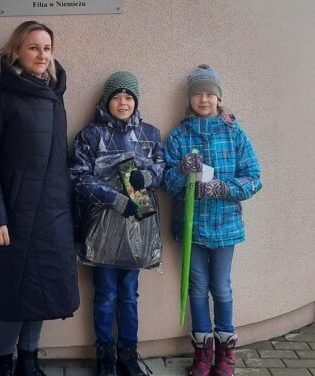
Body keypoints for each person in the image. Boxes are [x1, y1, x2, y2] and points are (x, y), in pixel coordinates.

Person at [0, 21, 80, 376]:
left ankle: (29, 361)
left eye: (47, 48)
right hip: (13, 215)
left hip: (52, 213)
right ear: (16, 50)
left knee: (41, 290)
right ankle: (4, 363)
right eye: (33, 47)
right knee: (12, 293)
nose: (42, 54)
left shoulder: (54, 93)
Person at [163, 65, 262, 376]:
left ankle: (225, 353)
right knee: (196, 287)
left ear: (219, 97)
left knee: (221, 287)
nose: (203, 99)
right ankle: (202, 354)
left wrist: (223, 188)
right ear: (189, 98)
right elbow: (167, 183)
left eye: (209, 94)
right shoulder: (179, 136)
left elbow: (254, 178)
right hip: (191, 226)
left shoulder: (235, 134)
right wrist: (182, 170)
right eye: (197, 94)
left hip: (225, 225)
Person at [70, 71, 165, 376]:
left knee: (129, 294)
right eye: (116, 97)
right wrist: (114, 198)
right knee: (105, 294)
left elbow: (162, 167)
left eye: (128, 97)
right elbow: (78, 177)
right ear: (106, 100)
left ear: (136, 101)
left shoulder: (149, 134)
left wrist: (147, 176)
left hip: (137, 229)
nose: (123, 103)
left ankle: (128, 354)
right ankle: (106, 357)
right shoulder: (90, 135)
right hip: (102, 229)